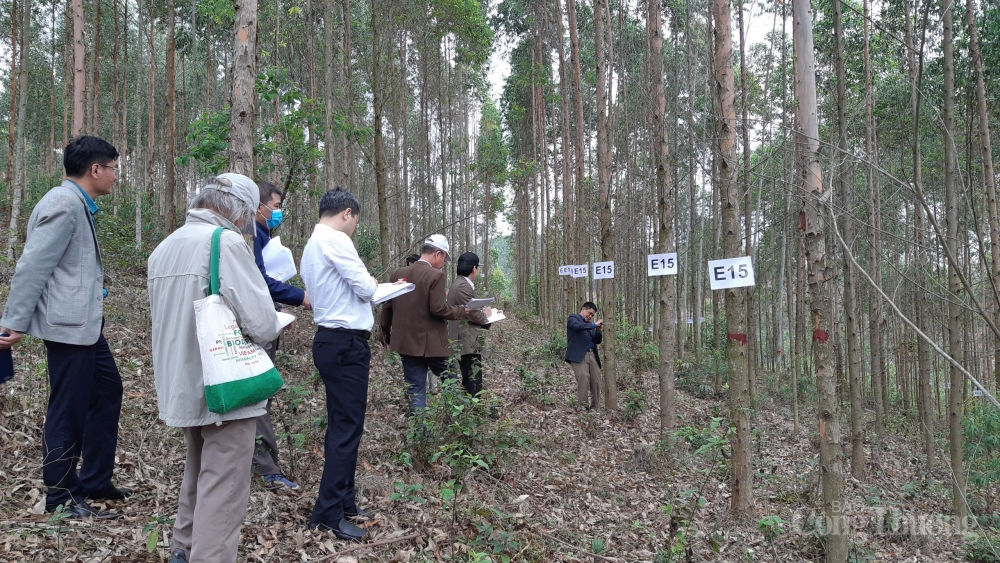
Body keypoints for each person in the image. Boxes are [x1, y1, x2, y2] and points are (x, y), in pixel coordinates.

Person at [147, 173, 283, 563]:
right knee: (224, 484)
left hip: (181, 381)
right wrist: (276, 321)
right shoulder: (224, 243)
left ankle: (182, 548)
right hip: (225, 384)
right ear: (239, 210)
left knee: (199, 468)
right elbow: (260, 322)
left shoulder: (166, 246)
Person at [0, 136, 128, 519]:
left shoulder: (78, 204)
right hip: (67, 327)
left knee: (108, 391)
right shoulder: (62, 204)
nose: (115, 177)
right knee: (67, 410)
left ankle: (95, 480)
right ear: (95, 169)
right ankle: (61, 497)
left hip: (84, 324)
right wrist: (13, 322)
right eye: (113, 169)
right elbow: (33, 266)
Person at [300, 187, 379, 540]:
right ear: (347, 213)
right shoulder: (336, 240)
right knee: (346, 430)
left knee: (343, 426)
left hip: (330, 340)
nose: (354, 229)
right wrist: (380, 285)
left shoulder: (311, 245)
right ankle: (328, 513)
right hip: (346, 344)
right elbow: (365, 288)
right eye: (355, 222)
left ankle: (344, 501)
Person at [379, 235, 490, 413]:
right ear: (438, 254)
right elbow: (438, 309)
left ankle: (420, 432)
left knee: (415, 389)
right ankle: (457, 420)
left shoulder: (398, 274)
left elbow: (388, 308)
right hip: (431, 344)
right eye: (445, 257)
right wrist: (463, 311)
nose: (444, 262)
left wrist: (385, 334)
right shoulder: (435, 275)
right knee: (451, 379)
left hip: (406, 344)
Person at [251, 181, 310, 491]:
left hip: (266, 319)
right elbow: (259, 283)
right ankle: (265, 468)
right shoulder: (249, 236)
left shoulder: (262, 235)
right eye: (274, 206)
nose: (277, 213)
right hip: (254, 328)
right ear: (257, 205)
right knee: (259, 394)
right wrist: (300, 297)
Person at [446, 252, 493, 396]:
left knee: (470, 378)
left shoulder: (460, 283)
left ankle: (470, 408)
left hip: (464, 340)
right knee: (473, 380)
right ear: (474, 269)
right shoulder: (463, 287)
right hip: (466, 342)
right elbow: (471, 312)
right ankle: (473, 410)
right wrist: (485, 315)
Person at [565, 302, 604, 410]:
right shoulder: (573, 318)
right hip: (578, 355)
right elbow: (577, 326)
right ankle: (583, 408)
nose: (590, 316)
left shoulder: (590, 324)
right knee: (583, 377)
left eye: (592, 315)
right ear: (583, 309)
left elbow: (597, 340)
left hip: (592, 354)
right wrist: (593, 325)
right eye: (589, 313)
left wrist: (597, 330)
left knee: (596, 380)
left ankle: (594, 407)